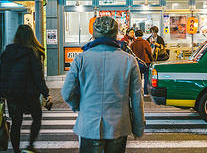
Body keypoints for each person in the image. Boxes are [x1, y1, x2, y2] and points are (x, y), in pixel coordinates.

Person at [62, 16, 145, 152]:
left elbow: (67, 93)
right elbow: (137, 99)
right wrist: (138, 127)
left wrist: (80, 105)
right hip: (118, 125)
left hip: (89, 124)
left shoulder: (81, 59)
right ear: (115, 34)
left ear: (94, 34)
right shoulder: (129, 60)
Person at [0, 25, 50, 153]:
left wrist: (2, 93)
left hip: (12, 94)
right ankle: (30, 145)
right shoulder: (32, 52)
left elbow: (3, 74)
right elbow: (38, 77)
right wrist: (46, 93)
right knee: (37, 117)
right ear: (31, 36)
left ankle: (16, 150)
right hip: (29, 94)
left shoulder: (7, 52)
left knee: (16, 123)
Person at [131, 30, 153, 95]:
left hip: (136, 63)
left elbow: (131, 54)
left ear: (135, 35)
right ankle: (146, 92)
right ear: (142, 35)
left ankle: (139, 92)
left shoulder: (133, 43)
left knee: (138, 78)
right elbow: (149, 53)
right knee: (146, 77)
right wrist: (152, 60)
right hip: (146, 62)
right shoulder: (145, 42)